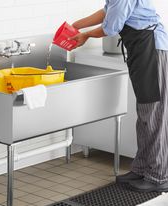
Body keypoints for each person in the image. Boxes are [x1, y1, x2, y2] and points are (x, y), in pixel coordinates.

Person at [70, 0, 168, 192]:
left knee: (154, 113)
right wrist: (75, 26)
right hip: (142, 49)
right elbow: (107, 11)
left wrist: (86, 35)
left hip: (151, 49)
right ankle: (141, 168)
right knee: (145, 113)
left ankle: (159, 176)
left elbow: (111, 26)